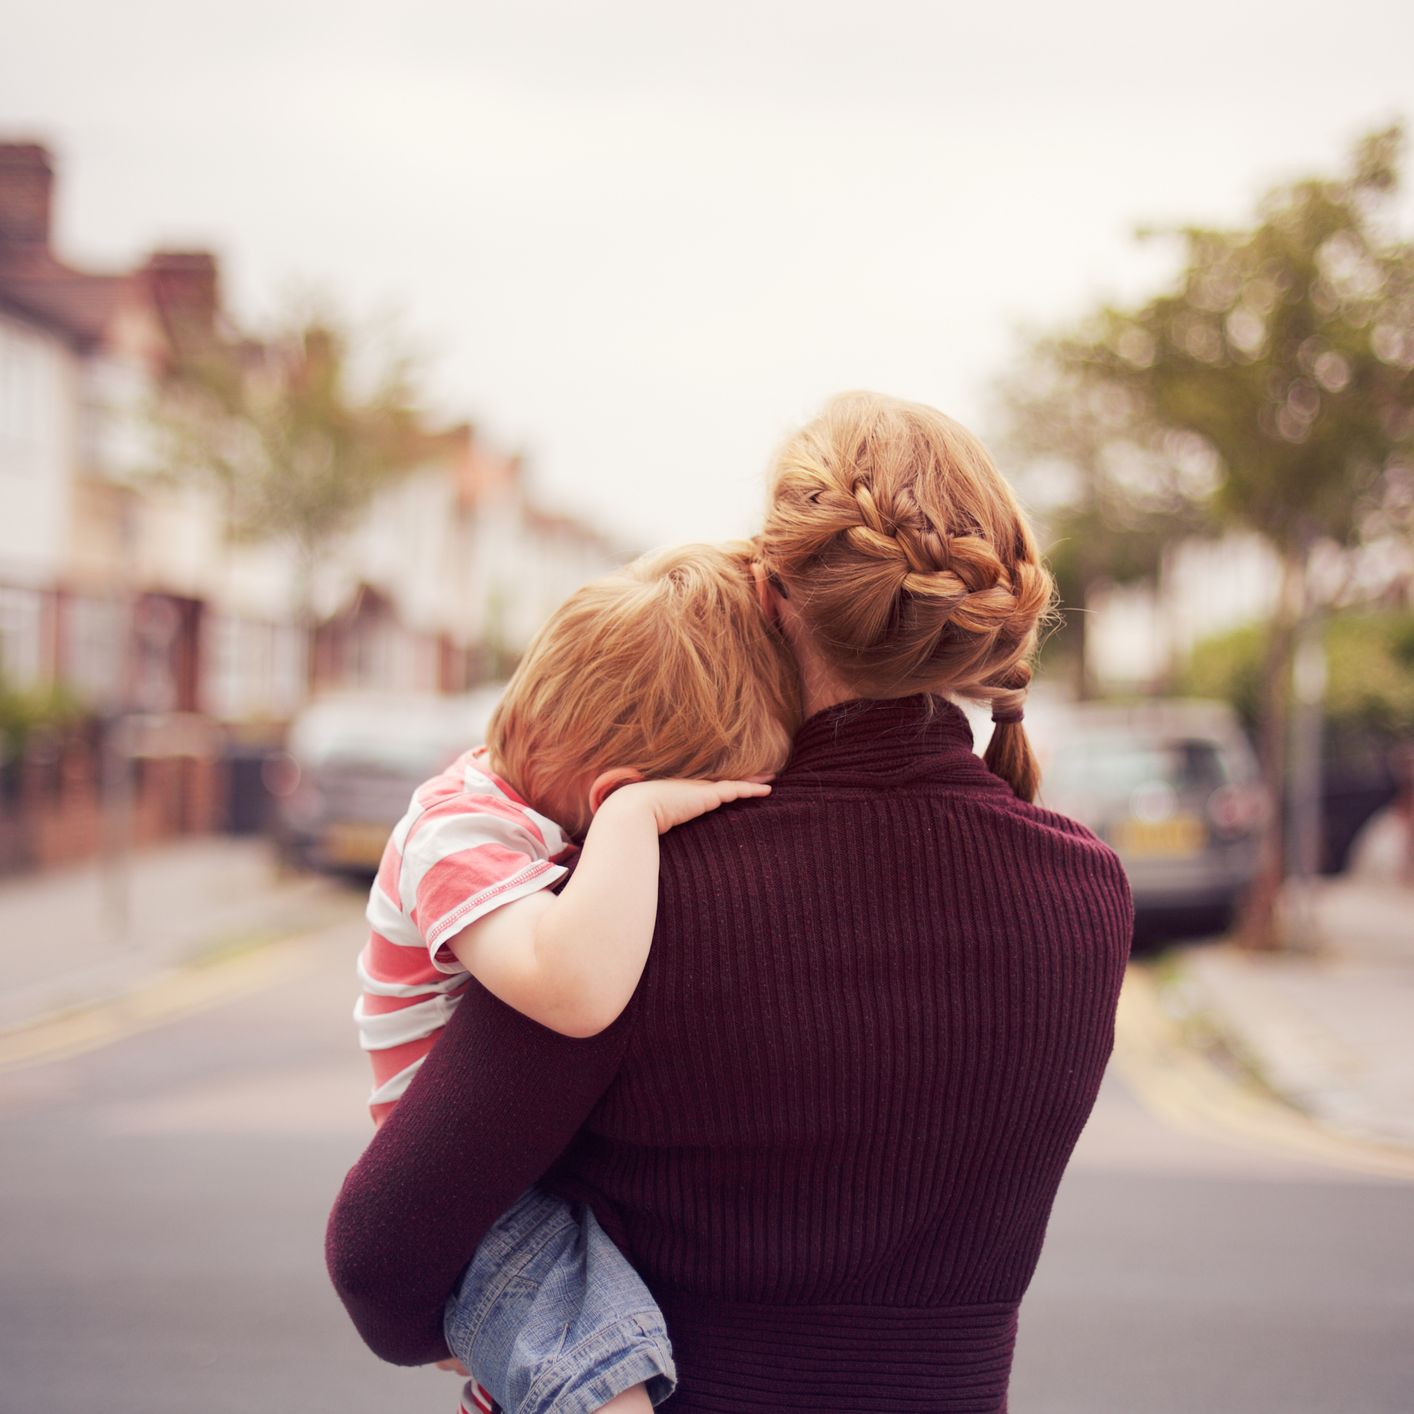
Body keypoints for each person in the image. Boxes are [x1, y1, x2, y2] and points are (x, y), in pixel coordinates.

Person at [328, 391, 1135, 1412]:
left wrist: (467, 1325)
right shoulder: (1087, 894)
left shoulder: (650, 893)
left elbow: (381, 1253)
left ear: (764, 591)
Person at [355, 541, 800, 1413]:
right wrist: (640, 822)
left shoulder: (526, 816)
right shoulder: (453, 830)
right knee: (606, 1383)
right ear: (614, 792)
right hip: (480, 1209)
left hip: (533, 1182)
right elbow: (575, 992)